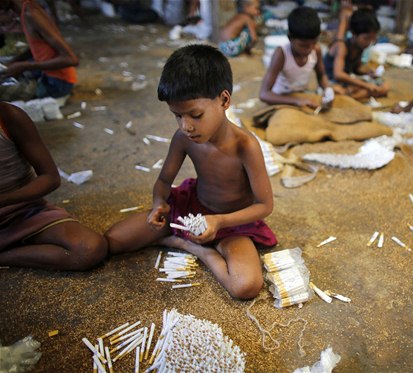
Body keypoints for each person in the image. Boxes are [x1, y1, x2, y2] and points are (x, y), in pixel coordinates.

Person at [105, 44, 277, 300]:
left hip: (232, 221)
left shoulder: (245, 145)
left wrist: (218, 222)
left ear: (224, 100)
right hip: (192, 211)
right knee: (114, 241)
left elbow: (264, 205)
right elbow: (164, 180)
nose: (186, 126)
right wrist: (158, 204)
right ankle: (187, 238)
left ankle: (200, 250)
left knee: (246, 286)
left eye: (195, 115)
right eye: (177, 116)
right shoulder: (183, 138)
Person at [0, 102, 107, 270]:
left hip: (23, 211)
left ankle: (5, 256)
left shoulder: (8, 116)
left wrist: (5, 199)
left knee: (89, 248)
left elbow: (50, 178)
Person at [0, 0, 78, 103]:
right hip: (47, 75)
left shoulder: (31, 14)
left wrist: (24, 66)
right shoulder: (27, 9)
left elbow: (71, 59)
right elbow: (40, 47)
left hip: (56, 84)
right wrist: (15, 61)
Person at [259, 6, 337, 109]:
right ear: (290, 38)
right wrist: (295, 101)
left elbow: (321, 75)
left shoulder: (316, 50)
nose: (309, 49)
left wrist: (327, 89)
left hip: (302, 95)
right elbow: (264, 94)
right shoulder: (281, 54)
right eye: (303, 45)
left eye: (314, 43)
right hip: (281, 99)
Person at [324, 8, 389, 101]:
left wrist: (367, 72)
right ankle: (351, 96)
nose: (369, 42)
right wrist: (365, 85)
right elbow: (338, 74)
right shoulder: (342, 46)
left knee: (385, 86)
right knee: (340, 90)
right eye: (366, 38)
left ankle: (352, 96)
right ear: (354, 34)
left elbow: (356, 68)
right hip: (332, 82)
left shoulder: (360, 47)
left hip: (345, 83)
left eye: (372, 39)